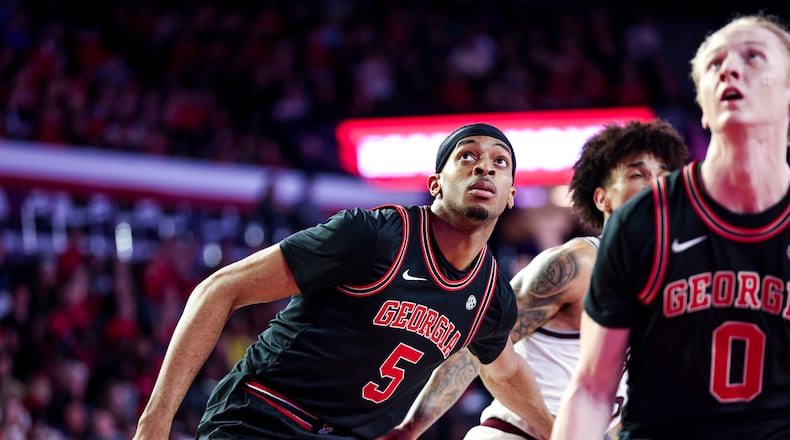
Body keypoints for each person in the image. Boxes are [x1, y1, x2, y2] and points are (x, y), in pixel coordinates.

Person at [133, 123, 552, 439]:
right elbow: (219, 289)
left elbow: (505, 371)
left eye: (500, 162)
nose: (484, 166)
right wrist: (156, 418)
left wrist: (559, 432)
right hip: (265, 416)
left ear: (511, 193)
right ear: (435, 184)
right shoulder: (373, 236)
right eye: (467, 156)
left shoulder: (490, 296)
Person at [552, 14, 790, 440]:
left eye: (753, 56)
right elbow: (591, 389)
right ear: (703, 107)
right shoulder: (644, 221)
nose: (730, 69)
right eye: (715, 64)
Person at [383, 120, 688, 440]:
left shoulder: (665, 290)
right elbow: (478, 350)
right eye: (638, 175)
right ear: (603, 199)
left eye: (664, 177)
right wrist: (412, 427)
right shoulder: (575, 264)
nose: (655, 186)